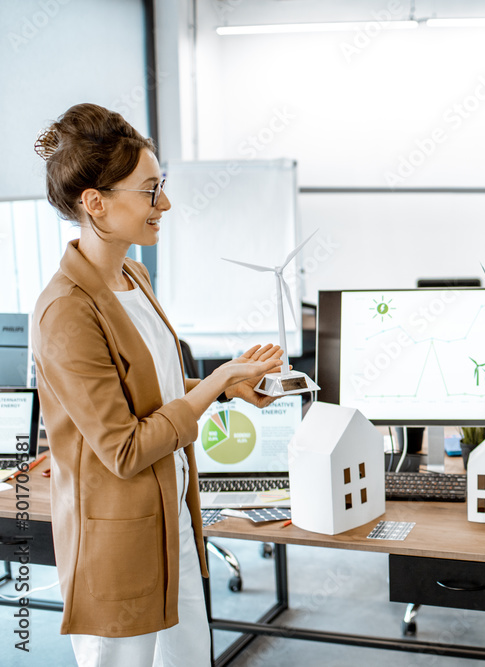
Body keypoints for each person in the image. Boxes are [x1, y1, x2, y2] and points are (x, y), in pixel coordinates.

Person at [30, 103, 285, 667]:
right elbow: (123, 449)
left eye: (160, 185)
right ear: (95, 202)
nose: (163, 203)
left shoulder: (133, 275)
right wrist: (215, 378)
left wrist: (226, 386)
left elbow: (152, 389)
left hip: (171, 519)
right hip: (116, 544)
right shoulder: (65, 312)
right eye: (150, 190)